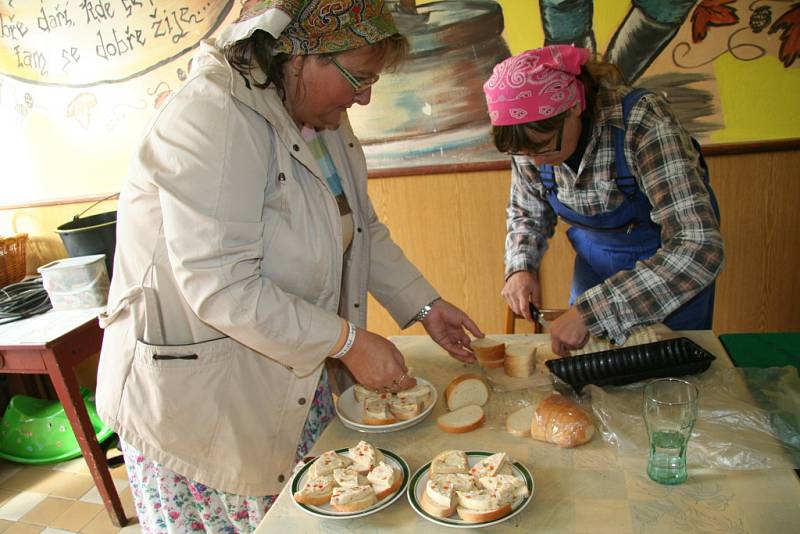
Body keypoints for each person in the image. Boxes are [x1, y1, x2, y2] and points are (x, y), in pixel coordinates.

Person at [96, 1, 483, 531]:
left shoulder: (319, 117)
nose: (365, 96)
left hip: (284, 374)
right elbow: (223, 287)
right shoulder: (213, 116)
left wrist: (424, 305)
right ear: (301, 55)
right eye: (360, 77)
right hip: (203, 399)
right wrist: (349, 342)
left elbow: (358, 228)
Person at [482, 45, 723, 357]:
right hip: (595, 261)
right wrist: (520, 267)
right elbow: (527, 213)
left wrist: (593, 312)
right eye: (525, 155)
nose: (537, 163)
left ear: (573, 107)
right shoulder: (531, 143)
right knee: (592, 376)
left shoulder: (641, 121)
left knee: (670, 378)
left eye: (543, 149)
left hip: (669, 268)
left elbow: (699, 246)